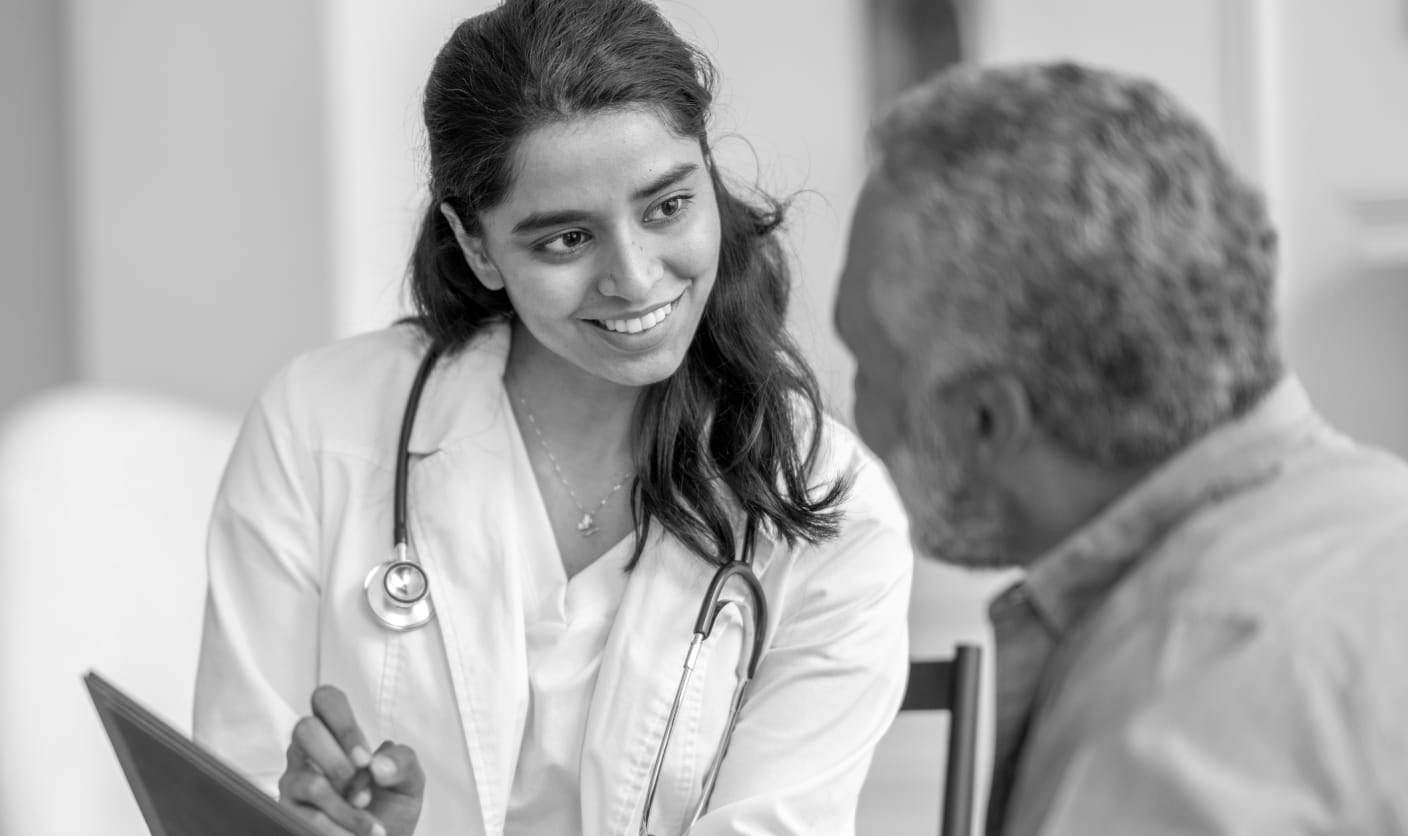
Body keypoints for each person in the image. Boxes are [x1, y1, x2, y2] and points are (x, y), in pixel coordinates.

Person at [193, 2, 915, 835]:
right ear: (475, 246)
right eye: (567, 240)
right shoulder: (318, 427)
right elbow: (229, 798)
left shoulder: (838, 510)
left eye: (668, 206)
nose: (637, 279)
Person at [836, 61, 1408, 835]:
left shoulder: (1169, 715)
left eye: (867, 367)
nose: (852, 415)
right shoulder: (1379, 519)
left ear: (984, 421)